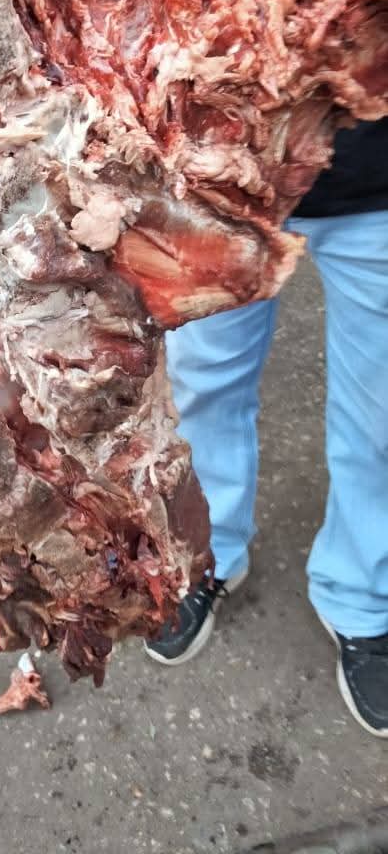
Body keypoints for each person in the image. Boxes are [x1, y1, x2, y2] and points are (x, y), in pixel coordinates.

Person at [144, 118, 388, 739]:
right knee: (203, 384)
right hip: (222, 154)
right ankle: (208, 555)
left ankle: (362, 596)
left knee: (381, 415)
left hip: (377, 177)